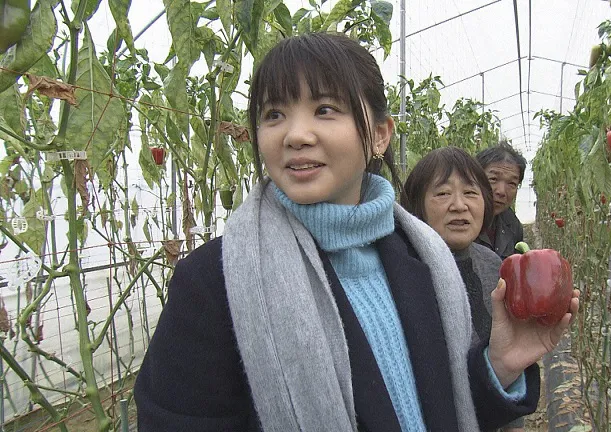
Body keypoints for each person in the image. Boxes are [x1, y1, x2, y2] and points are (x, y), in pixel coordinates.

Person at [134, 33, 579, 432]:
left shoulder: (425, 258)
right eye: (273, 114)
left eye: (325, 109)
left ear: (380, 136)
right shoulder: (214, 282)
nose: (295, 134)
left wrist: (498, 366)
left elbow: (444, 411)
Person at [401, 146, 526, 432]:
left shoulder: (492, 265)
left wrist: (512, 422)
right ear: (415, 206)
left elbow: (502, 359)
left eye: (471, 193)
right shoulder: (401, 270)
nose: (459, 205)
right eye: (442, 193)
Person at [475, 142, 527, 259]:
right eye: (493, 179)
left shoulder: (512, 224)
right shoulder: (459, 221)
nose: (501, 191)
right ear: (475, 178)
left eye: (512, 183)